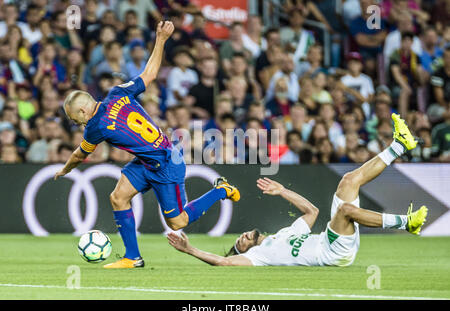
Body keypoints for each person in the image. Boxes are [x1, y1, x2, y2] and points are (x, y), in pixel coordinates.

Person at [53, 21, 240, 269]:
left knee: (178, 223)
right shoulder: (118, 92)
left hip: (165, 164)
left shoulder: (95, 126)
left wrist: (64, 170)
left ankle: (221, 190)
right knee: (118, 197)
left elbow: (79, 155)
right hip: (147, 161)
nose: (72, 121)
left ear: (83, 110)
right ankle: (133, 257)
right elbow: (150, 74)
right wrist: (160, 39)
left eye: (72, 116)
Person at [168, 114, 428, 266]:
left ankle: (399, 145)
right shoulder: (260, 257)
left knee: (349, 180)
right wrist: (190, 250)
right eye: (242, 242)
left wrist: (282, 191)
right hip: (333, 252)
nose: (245, 236)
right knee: (347, 209)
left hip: (331, 238)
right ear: (246, 252)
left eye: (241, 237)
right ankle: (406, 223)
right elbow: (224, 262)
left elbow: (311, 211)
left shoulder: (282, 235)